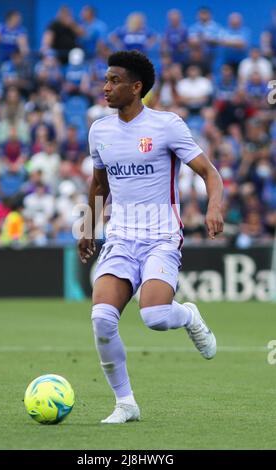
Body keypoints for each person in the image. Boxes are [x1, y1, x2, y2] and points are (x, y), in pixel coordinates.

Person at [77, 50, 224, 424]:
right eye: (106, 79)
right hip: (121, 238)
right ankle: (125, 403)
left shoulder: (167, 125)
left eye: (114, 80)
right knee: (102, 319)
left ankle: (188, 316)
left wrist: (213, 207)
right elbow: (99, 183)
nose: (106, 87)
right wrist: (90, 225)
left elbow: (210, 173)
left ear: (136, 87)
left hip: (161, 236)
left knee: (156, 316)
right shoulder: (100, 130)